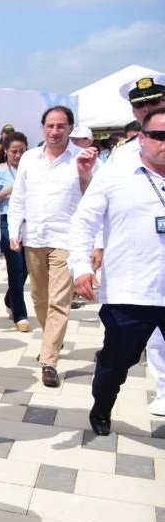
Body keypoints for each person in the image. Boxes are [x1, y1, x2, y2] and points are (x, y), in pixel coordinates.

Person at [70, 107, 165, 436]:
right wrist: (81, 267)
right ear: (142, 138)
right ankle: (103, 404)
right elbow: (84, 221)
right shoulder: (116, 175)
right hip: (131, 290)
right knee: (116, 363)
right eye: (158, 136)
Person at [7, 105, 99, 387]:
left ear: (70, 128)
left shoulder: (82, 159)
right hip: (34, 237)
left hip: (66, 240)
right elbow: (19, 197)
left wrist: (85, 174)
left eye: (61, 126)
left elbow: (94, 198)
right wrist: (14, 230)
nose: (55, 131)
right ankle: (52, 342)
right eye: (50, 126)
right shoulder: (30, 159)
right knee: (39, 298)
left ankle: (49, 360)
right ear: (43, 128)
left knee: (59, 300)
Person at [0, 131, 31, 332]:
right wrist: (10, 189)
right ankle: (20, 314)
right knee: (15, 267)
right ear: (6, 151)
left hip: (29, 221)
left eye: (22, 151)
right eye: (14, 152)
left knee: (26, 269)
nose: (18, 155)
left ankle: (10, 299)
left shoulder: (32, 168)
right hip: (6, 221)